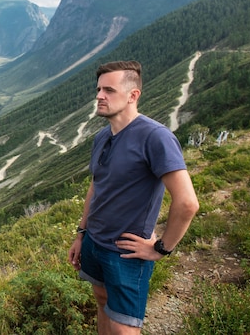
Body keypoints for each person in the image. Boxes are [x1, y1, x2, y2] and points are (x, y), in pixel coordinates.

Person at [68, 60, 199, 334]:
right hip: (95, 242)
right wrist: (82, 233)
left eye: (109, 90)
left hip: (125, 253)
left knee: (124, 328)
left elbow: (187, 202)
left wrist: (161, 248)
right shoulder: (103, 137)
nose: (99, 96)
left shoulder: (155, 137)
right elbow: (97, 186)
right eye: (99, 89)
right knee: (102, 301)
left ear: (133, 95)